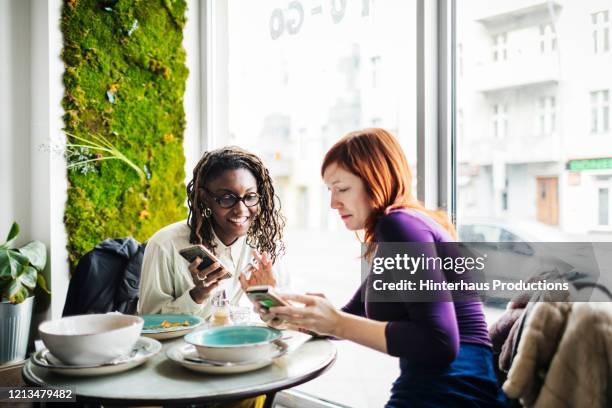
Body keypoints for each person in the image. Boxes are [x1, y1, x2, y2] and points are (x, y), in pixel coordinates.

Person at [258, 129, 506, 407]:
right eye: (330, 190)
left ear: (375, 180)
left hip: (451, 393)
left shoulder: (398, 225)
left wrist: (336, 322)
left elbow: (440, 342)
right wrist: (284, 313)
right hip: (443, 389)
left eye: (342, 189)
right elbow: (345, 320)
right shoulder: (406, 227)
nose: (333, 203)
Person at [138, 146, 288, 319]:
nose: (240, 210)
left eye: (250, 197)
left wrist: (270, 298)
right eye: (227, 198)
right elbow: (149, 322)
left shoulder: (263, 246)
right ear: (205, 197)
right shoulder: (164, 245)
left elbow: (285, 322)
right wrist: (198, 295)